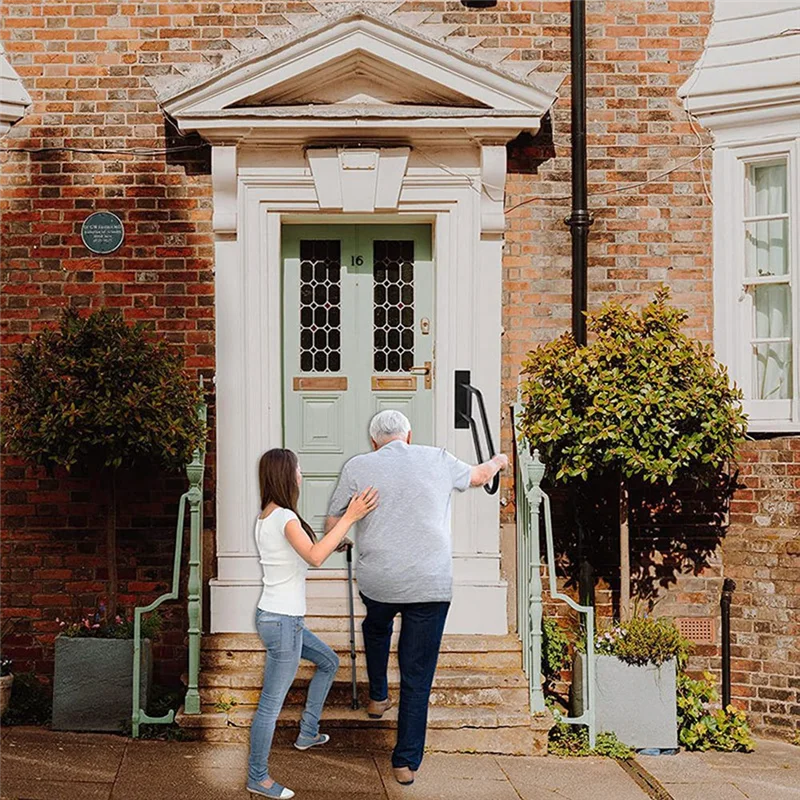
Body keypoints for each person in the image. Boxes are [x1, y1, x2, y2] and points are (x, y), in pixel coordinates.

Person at [325, 410, 508, 786]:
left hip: (380, 579)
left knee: (376, 625)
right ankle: (405, 762)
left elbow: (333, 521)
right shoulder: (437, 458)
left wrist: (343, 538)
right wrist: (499, 460)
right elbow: (479, 476)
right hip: (430, 582)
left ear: (375, 441)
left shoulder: (359, 465)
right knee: (417, 674)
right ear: (409, 436)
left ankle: (377, 696)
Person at [246, 448, 379, 799]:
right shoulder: (286, 517)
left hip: (277, 618)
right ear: (285, 475)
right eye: (298, 468)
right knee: (270, 706)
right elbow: (314, 558)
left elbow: (306, 552)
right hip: (283, 622)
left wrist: (333, 542)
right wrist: (350, 516)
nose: (302, 474)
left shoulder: (269, 516)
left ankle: (308, 732)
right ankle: (257, 777)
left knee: (328, 661)